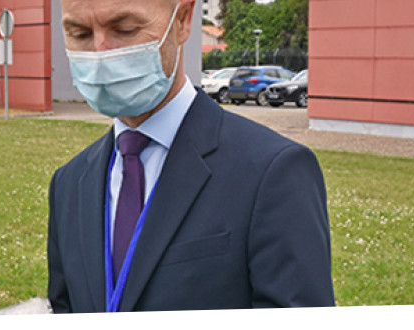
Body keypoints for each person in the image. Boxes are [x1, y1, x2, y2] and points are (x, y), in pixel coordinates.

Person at [47, 0, 335, 313]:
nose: (101, 53)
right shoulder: (69, 183)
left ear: (183, 20)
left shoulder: (273, 172)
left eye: (125, 30)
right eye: (80, 34)